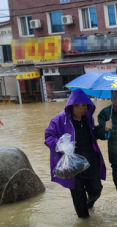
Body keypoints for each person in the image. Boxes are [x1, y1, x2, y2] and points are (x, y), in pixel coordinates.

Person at [44, 89, 106, 219]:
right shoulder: (59, 120)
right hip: (72, 167)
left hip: (90, 163)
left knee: (96, 190)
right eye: (78, 106)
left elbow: (94, 133)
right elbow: (48, 136)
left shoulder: (88, 119)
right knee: (79, 202)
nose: (82, 109)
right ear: (71, 106)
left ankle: (89, 204)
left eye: (84, 105)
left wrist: (104, 128)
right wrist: (60, 145)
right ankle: (84, 221)